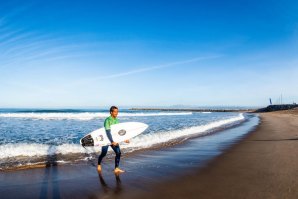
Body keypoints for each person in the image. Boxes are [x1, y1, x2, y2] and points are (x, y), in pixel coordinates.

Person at [97, 106, 129, 174]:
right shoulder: (107, 120)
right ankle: (99, 164)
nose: (116, 113)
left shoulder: (116, 120)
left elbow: (119, 132)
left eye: (117, 111)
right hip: (106, 140)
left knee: (118, 153)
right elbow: (108, 132)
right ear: (111, 112)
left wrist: (124, 139)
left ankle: (116, 168)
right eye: (115, 112)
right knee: (103, 154)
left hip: (114, 139)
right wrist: (112, 142)